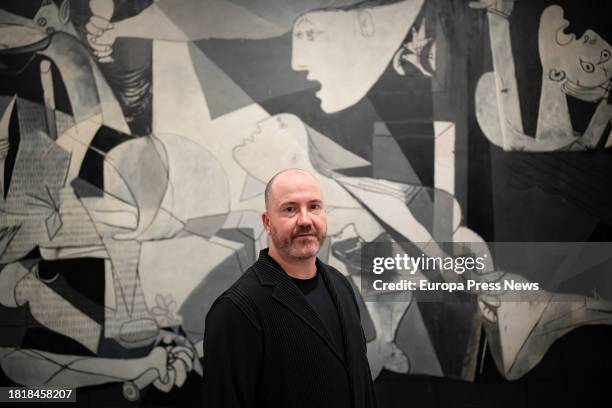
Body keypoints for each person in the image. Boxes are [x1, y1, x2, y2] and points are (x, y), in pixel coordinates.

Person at [201, 168, 377, 407]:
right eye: (290, 209)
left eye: (314, 207)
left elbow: (362, 384)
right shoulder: (235, 310)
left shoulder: (341, 285)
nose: (305, 220)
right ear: (267, 222)